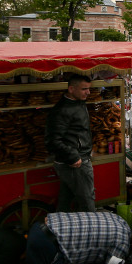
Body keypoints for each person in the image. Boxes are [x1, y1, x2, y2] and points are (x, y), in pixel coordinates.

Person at [45, 74, 95, 212]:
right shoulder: (62, 110)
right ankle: (92, 230)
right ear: (71, 89)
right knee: (87, 200)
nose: (88, 92)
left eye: (89, 89)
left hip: (78, 158)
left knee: (66, 199)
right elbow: (52, 140)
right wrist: (73, 156)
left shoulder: (78, 103)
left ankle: (62, 228)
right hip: (75, 163)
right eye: (84, 89)